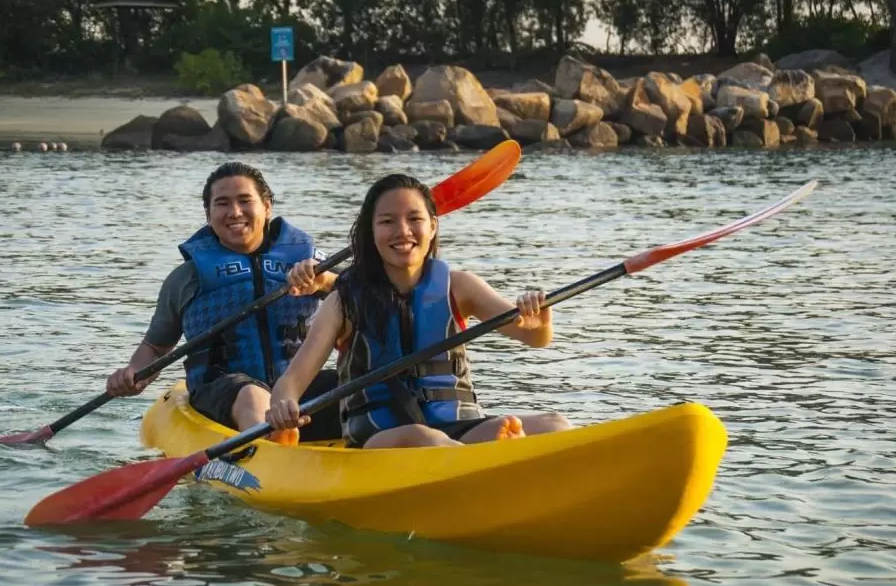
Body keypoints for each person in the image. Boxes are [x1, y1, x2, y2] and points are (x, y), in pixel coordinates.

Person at [265, 173, 572, 449]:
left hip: (455, 426)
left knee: (555, 425)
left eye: (414, 219)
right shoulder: (343, 301)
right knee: (424, 438)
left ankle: (492, 460)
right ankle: (488, 465)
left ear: (433, 225)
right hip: (381, 436)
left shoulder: (460, 287)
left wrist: (539, 320)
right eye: (387, 222)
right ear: (371, 232)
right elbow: (292, 381)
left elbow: (535, 338)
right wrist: (284, 404)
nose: (403, 231)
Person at [106, 161, 342, 443]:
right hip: (222, 390)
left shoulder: (311, 265)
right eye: (222, 204)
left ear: (267, 207)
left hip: (297, 388)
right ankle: (271, 451)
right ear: (208, 214)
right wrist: (135, 373)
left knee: (365, 384)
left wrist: (326, 282)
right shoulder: (186, 278)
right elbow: (156, 347)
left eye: (245, 201)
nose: (234, 212)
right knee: (253, 396)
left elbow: (370, 296)